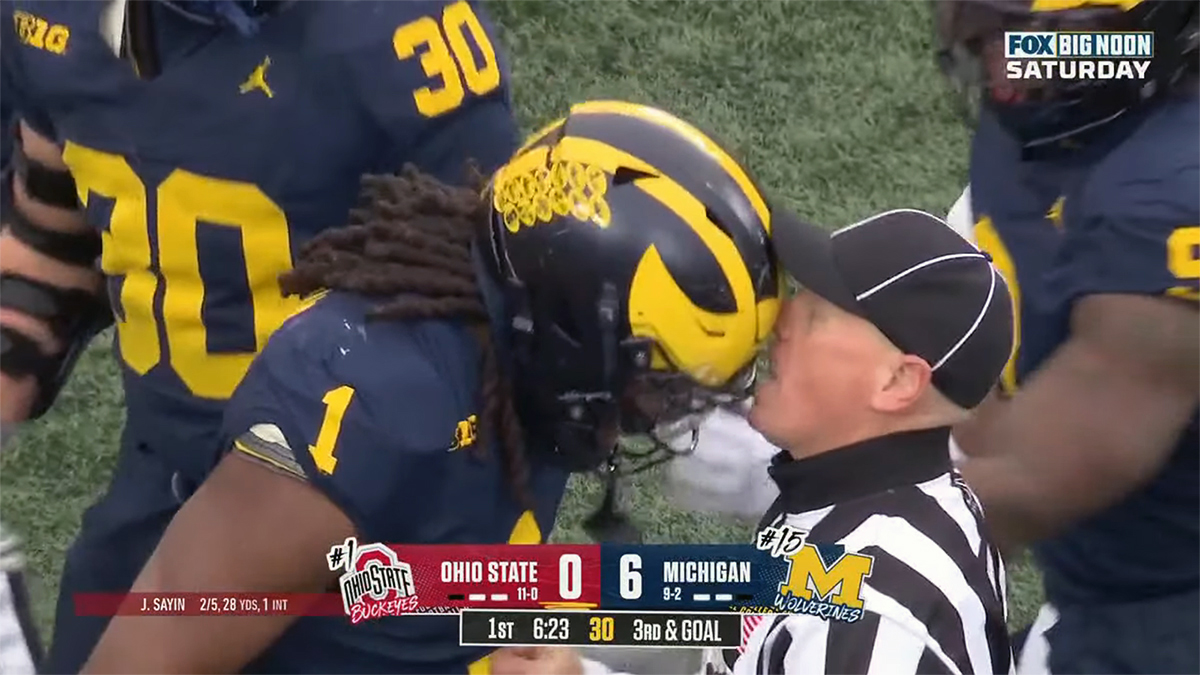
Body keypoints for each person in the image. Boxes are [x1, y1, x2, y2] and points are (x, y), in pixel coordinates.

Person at [81, 100, 782, 673]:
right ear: (570, 327)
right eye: (655, 381)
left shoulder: (517, 366)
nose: (658, 413)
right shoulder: (366, 413)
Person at [0, 0, 519, 671]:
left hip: (359, 515)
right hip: (167, 480)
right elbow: (49, 232)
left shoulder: (399, 41)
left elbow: (494, 339)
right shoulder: (52, 20)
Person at [511, 208, 1017, 675]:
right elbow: (745, 612)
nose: (782, 320)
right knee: (481, 588)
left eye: (817, 314)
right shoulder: (868, 496)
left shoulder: (873, 630)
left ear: (897, 384)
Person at [934, 0, 1200, 672]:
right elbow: (997, 414)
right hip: (1106, 564)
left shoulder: (1169, 201)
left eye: (1035, 42)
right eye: (987, 30)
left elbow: (1027, 487)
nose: (1000, 61)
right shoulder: (1055, 112)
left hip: (1166, 611)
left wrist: (772, 535)